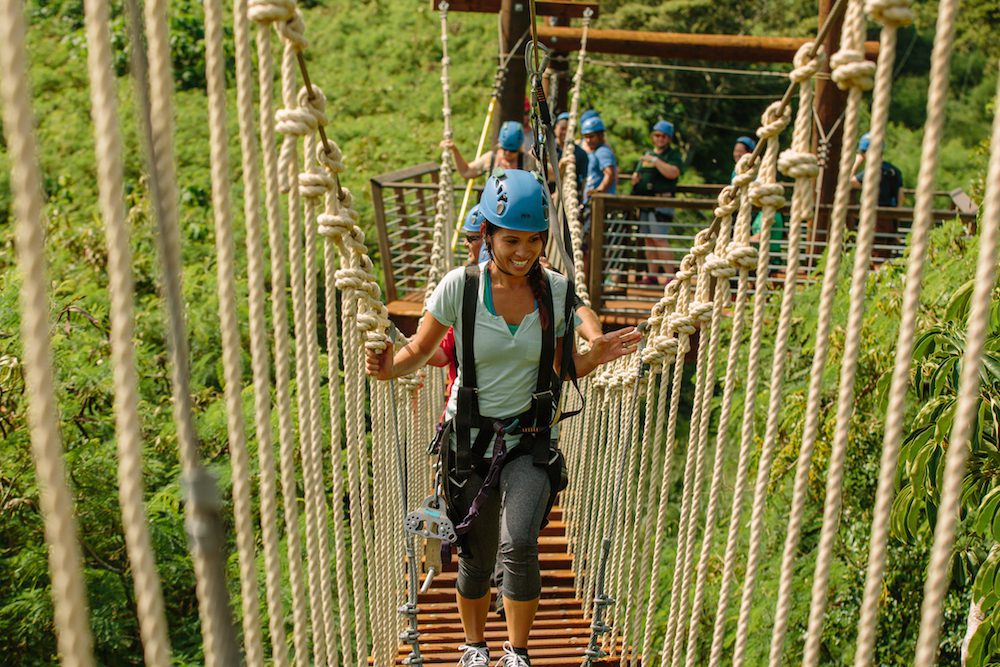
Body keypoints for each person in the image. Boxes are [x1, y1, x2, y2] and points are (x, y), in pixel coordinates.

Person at [366, 169, 640, 667]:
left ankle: (517, 652)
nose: (524, 251)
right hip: (468, 442)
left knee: (519, 546)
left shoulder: (555, 292)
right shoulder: (460, 287)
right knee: (476, 558)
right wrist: (389, 368)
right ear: (487, 235)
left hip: (529, 440)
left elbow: (560, 369)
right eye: (511, 239)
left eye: (534, 240)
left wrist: (594, 358)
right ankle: (474, 646)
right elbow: (419, 351)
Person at [631, 120, 683, 284]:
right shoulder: (647, 153)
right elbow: (638, 173)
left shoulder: (672, 155)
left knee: (660, 239)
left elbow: (673, 173)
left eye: (664, 136)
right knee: (648, 239)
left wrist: (655, 161)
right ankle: (652, 274)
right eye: (657, 135)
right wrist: (635, 179)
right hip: (646, 202)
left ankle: (670, 276)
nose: (660, 139)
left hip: (662, 202)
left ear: (669, 138)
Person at [851, 132, 905, 259]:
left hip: (874, 219)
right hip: (890, 218)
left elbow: (849, 182)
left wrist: (857, 163)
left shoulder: (870, 172)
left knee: (875, 256)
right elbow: (901, 196)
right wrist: (896, 217)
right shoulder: (894, 171)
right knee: (884, 253)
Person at [443, 120, 538, 180]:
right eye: (504, 149)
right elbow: (466, 171)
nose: (507, 153)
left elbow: (550, 175)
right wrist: (455, 151)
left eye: (512, 151)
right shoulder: (491, 159)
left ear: (520, 149)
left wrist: (553, 195)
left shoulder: (528, 160)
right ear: (499, 144)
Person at [554, 111, 588, 204]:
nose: (565, 132)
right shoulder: (547, 150)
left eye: (569, 130)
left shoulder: (581, 154)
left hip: (570, 200)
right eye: (562, 128)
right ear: (555, 128)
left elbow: (584, 180)